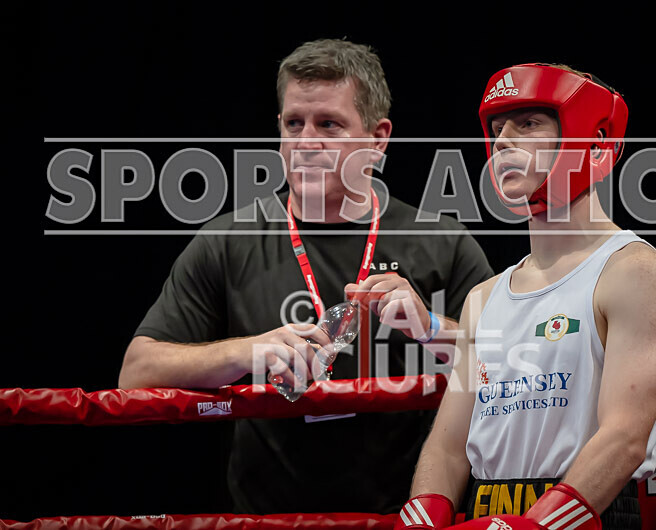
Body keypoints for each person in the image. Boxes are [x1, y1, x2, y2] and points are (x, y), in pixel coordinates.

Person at [117, 39, 493, 514]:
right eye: (293, 123)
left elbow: (508, 367)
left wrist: (433, 328)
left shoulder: (443, 242)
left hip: (403, 519)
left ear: (378, 140)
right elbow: (136, 374)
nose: (306, 142)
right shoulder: (228, 240)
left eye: (329, 125)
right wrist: (247, 351)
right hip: (261, 521)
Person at [395, 63, 656, 530]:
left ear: (593, 139)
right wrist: (423, 516)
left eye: (528, 123)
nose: (503, 140)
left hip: (589, 507)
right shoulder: (483, 299)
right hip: (484, 510)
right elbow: (447, 446)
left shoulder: (633, 271)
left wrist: (535, 525)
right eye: (496, 128)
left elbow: (626, 437)